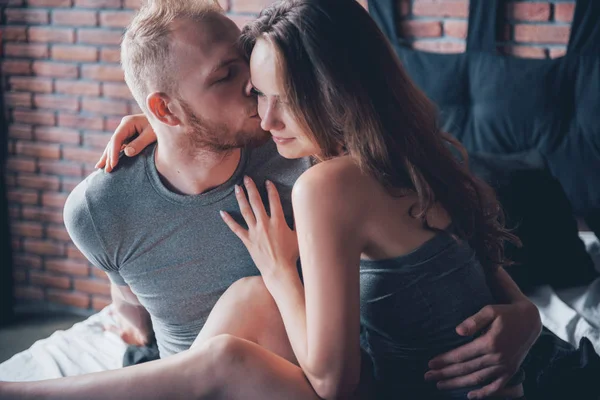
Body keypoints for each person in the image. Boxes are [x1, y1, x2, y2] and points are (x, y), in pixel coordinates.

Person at [0, 0, 543, 399]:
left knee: (233, 348)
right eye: (234, 81)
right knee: (250, 298)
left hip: (348, 380)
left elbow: (339, 375)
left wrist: (526, 316)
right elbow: (129, 312)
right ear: (167, 111)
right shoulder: (100, 208)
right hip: (273, 372)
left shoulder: (314, 165)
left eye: (258, 81)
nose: (259, 108)